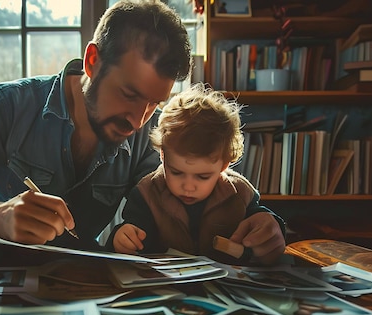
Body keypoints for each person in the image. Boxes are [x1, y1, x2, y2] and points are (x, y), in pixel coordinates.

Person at [0, 0, 284, 261]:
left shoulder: (143, 140)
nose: (138, 118)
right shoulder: (10, 106)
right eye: (128, 94)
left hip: (82, 296)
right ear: (93, 61)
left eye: (153, 103)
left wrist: (266, 222)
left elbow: (192, 193)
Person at [106, 83, 285, 264]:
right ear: (162, 155)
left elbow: (262, 224)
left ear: (224, 164)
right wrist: (120, 239)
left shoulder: (239, 193)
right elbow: (132, 232)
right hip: (165, 288)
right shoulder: (147, 193)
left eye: (203, 177)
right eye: (176, 172)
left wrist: (272, 227)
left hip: (226, 287)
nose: (188, 186)